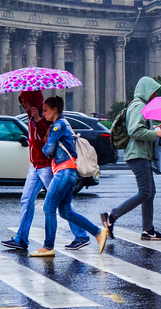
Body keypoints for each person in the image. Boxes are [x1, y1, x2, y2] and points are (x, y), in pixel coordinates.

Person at [2, 90, 89, 252]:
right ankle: (21, 239)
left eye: (25, 101)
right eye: (22, 101)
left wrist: (37, 119)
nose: (23, 104)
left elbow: (47, 140)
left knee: (61, 205)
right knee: (26, 200)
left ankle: (81, 235)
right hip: (35, 165)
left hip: (47, 165)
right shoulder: (30, 117)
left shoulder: (47, 117)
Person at [30, 96, 107, 257]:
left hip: (64, 172)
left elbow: (48, 150)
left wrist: (46, 140)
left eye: (45, 110)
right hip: (68, 172)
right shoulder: (60, 125)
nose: (43, 113)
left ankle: (48, 246)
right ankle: (98, 233)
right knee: (65, 212)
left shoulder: (58, 126)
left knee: (48, 207)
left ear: (55, 110)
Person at [101, 76, 161, 241]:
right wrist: (156, 133)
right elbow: (134, 132)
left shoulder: (140, 106)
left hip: (141, 154)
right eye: (154, 91)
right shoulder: (139, 106)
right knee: (145, 192)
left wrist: (153, 129)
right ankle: (112, 216)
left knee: (150, 192)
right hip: (137, 155)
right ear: (146, 91)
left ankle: (148, 230)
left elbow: (138, 129)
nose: (155, 95)